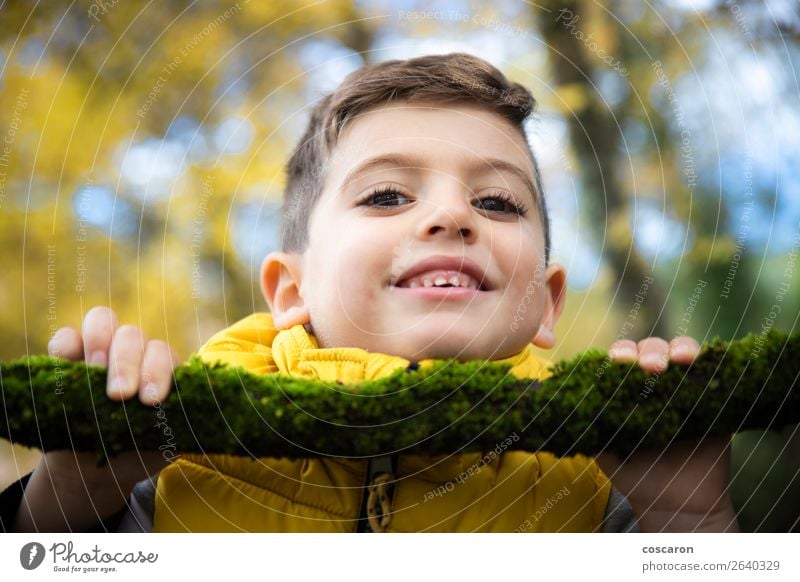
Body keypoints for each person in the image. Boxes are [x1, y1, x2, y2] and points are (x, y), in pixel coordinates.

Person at [2, 53, 738, 533]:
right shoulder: (182, 458)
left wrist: (691, 515)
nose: (450, 216)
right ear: (290, 291)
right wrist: (65, 496)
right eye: (387, 196)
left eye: (498, 203)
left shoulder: (594, 481)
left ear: (545, 306)